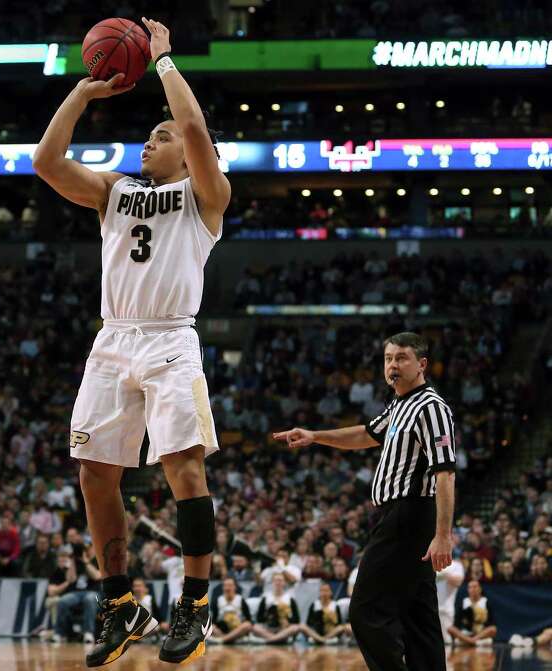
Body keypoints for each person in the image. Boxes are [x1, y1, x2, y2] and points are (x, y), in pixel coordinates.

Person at [33, 16, 229, 667]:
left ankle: (194, 601)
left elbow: (193, 127)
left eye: (160, 136)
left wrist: (164, 60)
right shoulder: (115, 191)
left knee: (183, 467)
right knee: (94, 474)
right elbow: (46, 162)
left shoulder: (206, 196)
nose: (151, 140)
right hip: (113, 339)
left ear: (190, 155)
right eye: (149, 134)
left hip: (171, 339)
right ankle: (120, 601)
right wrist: (83, 92)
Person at [274, 332, 456, 671]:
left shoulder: (431, 407)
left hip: (409, 514)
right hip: (399, 515)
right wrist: (315, 436)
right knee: (417, 615)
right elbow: (365, 434)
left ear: (422, 364)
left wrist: (443, 535)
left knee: (364, 610)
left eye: (401, 358)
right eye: (388, 359)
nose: (392, 365)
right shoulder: (399, 404)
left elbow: (445, 473)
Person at [251, 573, 302, 644]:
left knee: (295, 627)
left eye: (280, 580)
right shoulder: (266, 598)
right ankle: (277, 639)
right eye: (276, 580)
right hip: (269, 628)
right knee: (254, 627)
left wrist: (288, 621)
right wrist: (268, 618)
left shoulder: (290, 599)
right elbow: (259, 618)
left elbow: (297, 619)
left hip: (284, 629)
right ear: (272, 583)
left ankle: (270, 639)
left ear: (284, 583)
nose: (278, 583)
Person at [447, 580, 497, 646]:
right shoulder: (464, 602)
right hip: (466, 633)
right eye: (470, 587)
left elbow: (491, 623)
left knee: (493, 629)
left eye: (475, 587)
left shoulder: (485, 602)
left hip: (480, 633)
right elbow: (457, 623)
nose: (472, 589)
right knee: (450, 629)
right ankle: (472, 641)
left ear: (480, 589)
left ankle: (469, 641)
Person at [210, 577, 253, 644]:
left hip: (238, 630)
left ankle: (223, 640)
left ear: (235, 587)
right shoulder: (217, 600)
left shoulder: (241, 600)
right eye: (225, 586)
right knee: (210, 627)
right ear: (223, 588)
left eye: (230, 585)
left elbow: (248, 619)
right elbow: (214, 621)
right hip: (222, 630)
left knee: (247, 625)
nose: (227, 588)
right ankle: (229, 639)